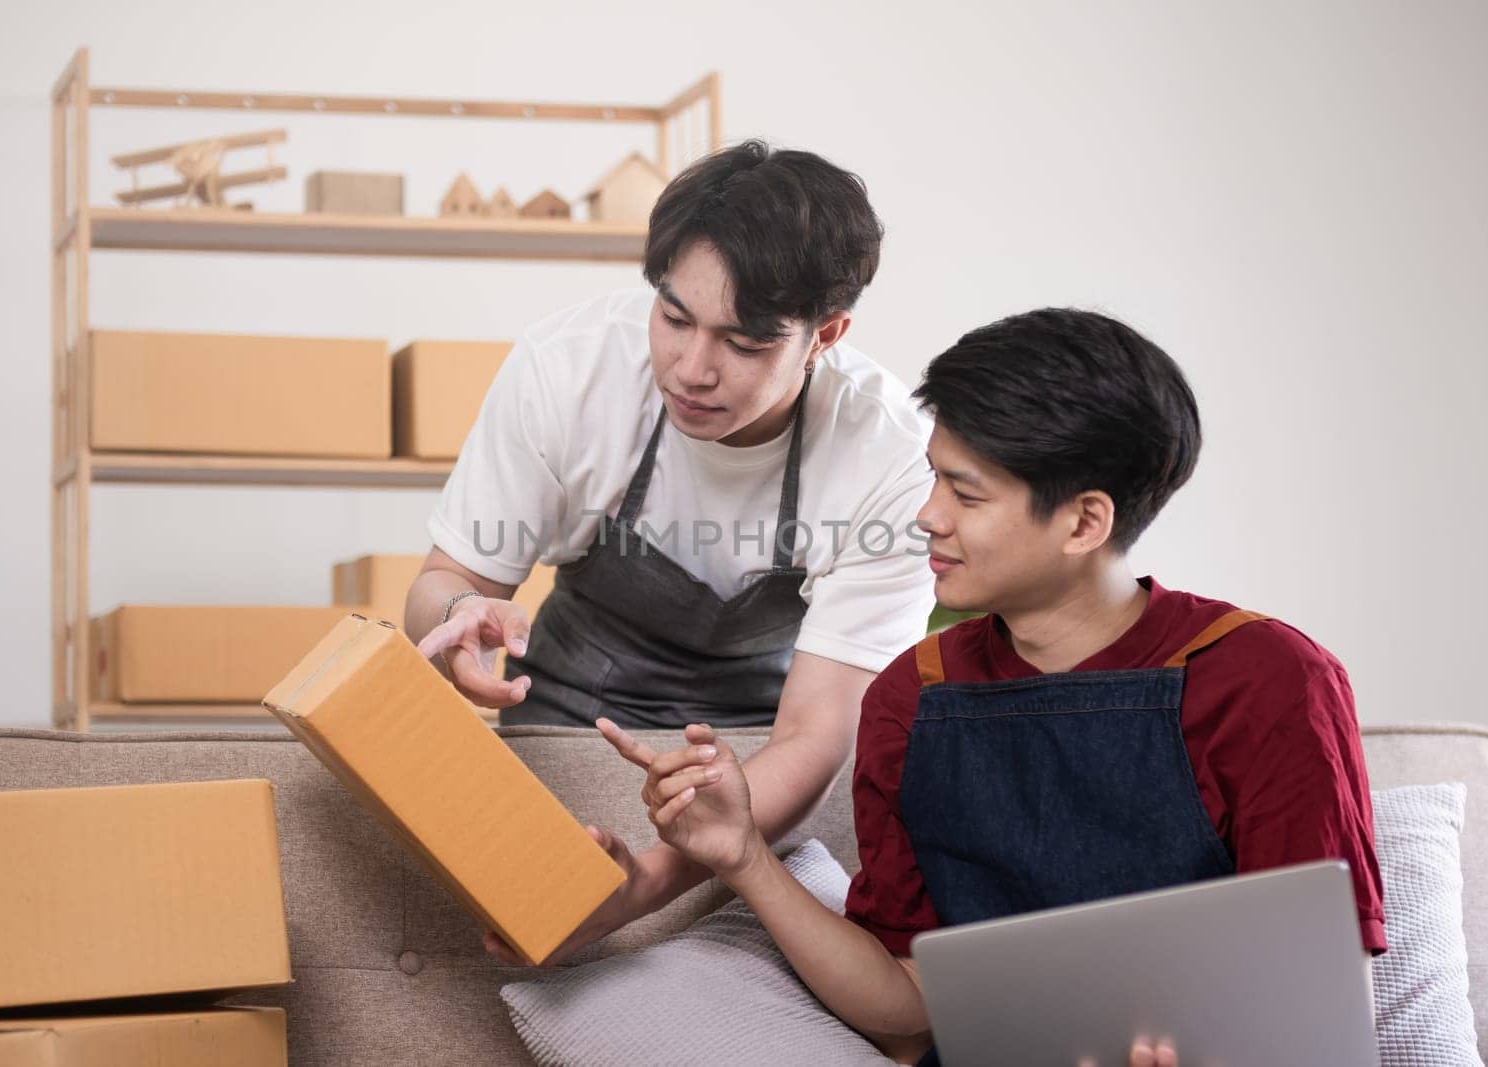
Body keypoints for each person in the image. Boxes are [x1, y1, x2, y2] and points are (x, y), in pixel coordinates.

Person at [611, 308, 1386, 1064]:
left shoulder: (1271, 681)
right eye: (932, 479)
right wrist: (744, 853)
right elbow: (907, 1012)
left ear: (1084, 523)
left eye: (965, 493)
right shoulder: (910, 698)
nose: (926, 516)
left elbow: (1318, 1008)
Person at [405, 141, 936, 960]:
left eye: (745, 343)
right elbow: (443, 584)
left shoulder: (889, 453)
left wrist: (645, 886)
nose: (692, 369)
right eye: (675, 317)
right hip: (563, 736)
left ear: (824, 334)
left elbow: (818, 735)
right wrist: (458, 618)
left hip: (762, 772)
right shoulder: (570, 369)